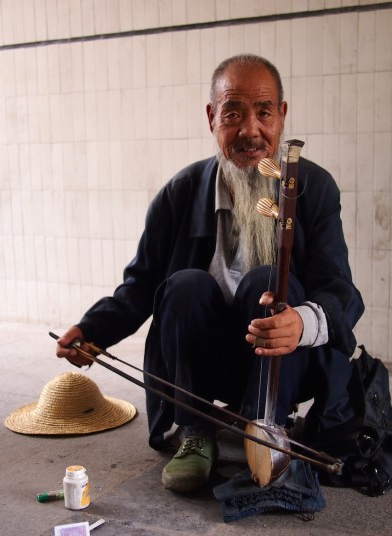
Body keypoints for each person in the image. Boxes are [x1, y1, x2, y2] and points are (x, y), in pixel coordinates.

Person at [55, 54, 364, 493]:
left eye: (263, 113)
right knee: (185, 285)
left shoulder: (313, 188)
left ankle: (267, 430)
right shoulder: (179, 193)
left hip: (284, 364)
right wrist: (92, 330)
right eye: (233, 114)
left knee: (266, 281)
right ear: (211, 117)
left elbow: (341, 290)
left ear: (282, 115)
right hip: (202, 369)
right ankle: (196, 433)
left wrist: (303, 322)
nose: (250, 131)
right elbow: (141, 285)